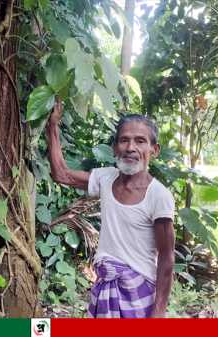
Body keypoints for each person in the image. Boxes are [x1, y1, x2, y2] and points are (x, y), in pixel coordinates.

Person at [46, 99, 175, 318]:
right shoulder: (106, 177)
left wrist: (158, 314)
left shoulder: (159, 196)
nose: (131, 147)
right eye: (124, 140)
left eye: (140, 141)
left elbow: (166, 257)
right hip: (105, 287)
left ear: (154, 150)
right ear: (115, 147)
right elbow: (61, 174)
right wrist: (52, 126)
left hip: (139, 292)